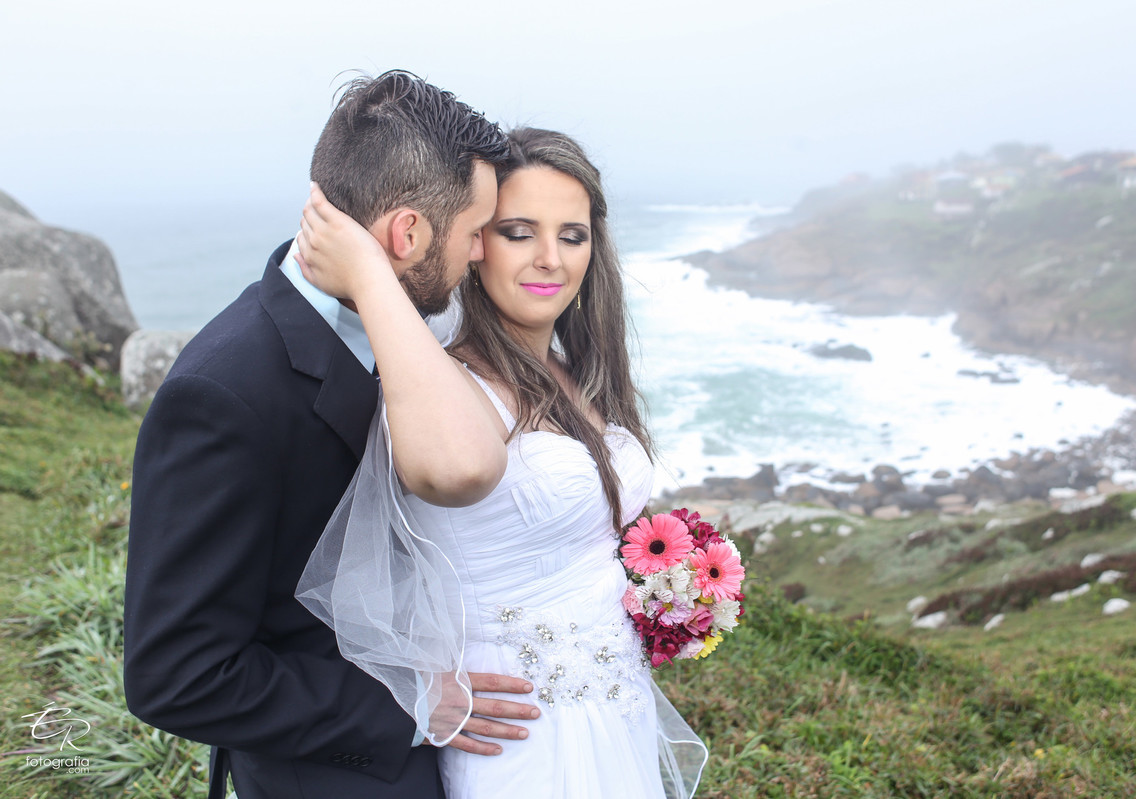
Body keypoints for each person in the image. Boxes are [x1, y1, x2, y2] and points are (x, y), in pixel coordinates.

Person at [123, 71, 541, 799]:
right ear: (405, 233)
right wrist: (407, 706)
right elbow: (176, 674)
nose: (480, 257)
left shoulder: (412, 324)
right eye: (475, 234)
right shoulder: (225, 392)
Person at [294, 127, 708, 798]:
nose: (550, 259)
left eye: (572, 236)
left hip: (614, 704)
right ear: (476, 243)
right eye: (520, 231)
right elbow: (457, 473)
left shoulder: (575, 374)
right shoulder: (449, 385)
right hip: (519, 731)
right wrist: (373, 278)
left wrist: (670, 580)